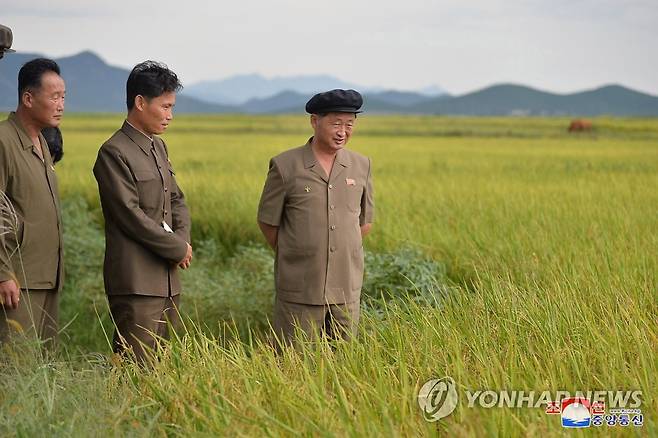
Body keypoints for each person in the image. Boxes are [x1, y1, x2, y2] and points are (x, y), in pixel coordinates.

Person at [257, 89, 374, 348]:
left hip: (346, 288)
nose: (343, 131)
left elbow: (364, 224)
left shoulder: (361, 165)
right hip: (300, 287)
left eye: (349, 124)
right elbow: (268, 222)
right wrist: (298, 250)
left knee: (344, 363)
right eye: (335, 123)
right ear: (314, 121)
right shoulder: (286, 165)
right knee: (294, 363)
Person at [93, 61, 192, 362]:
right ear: (139, 102)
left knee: (161, 373)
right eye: (164, 107)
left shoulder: (158, 148)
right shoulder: (114, 152)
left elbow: (177, 200)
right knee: (135, 371)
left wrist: (183, 242)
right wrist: (177, 247)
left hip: (166, 281)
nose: (170, 116)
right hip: (136, 283)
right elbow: (129, 214)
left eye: (172, 107)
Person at [0, 58, 66, 345]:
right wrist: (3, 273)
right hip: (17, 279)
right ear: (28, 98)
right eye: (54, 97)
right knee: (16, 370)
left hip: (46, 277)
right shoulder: (3, 140)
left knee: (41, 374)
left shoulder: (42, 144)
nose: (61, 105)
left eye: (64, 97)